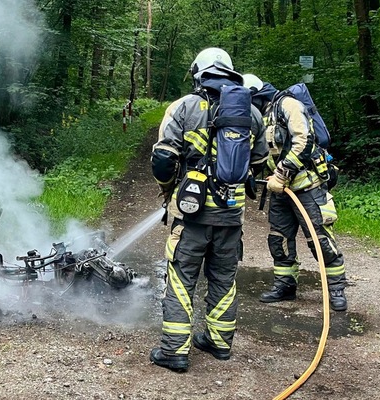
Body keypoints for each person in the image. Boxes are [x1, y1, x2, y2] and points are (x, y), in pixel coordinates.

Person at [149, 48, 269, 372]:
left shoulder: (184, 107)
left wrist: (168, 190)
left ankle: (175, 350)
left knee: (181, 279)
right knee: (224, 279)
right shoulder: (252, 115)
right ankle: (219, 343)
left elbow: (163, 160)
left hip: (192, 217)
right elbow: (260, 162)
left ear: (198, 74)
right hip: (232, 216)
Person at [241, 73, 348, 312]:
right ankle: (285, 286)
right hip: (280, 190)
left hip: (306, 185)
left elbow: (304, 141)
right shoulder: (262, 116)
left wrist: (282, 173)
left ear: (255, 95)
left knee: (320, 239)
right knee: (279, 239)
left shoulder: (287, 105)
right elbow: (259, 150)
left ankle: (336, 289)